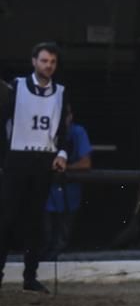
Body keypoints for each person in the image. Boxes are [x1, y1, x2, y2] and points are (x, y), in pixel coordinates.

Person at [0, 42, 71, 293]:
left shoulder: (61, 92)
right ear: (34, 61)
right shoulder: (16, 87)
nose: (48, 66)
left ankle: (30, 277)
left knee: (35, 221)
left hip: (44, 160)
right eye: (44, 61)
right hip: (17, 158)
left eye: (52, 62)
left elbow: (64, 129)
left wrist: (61, 153)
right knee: (5, 218)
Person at [43, 104, 93, 259]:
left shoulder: (78, 132)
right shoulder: (43, 132)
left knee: (61, 240)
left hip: (69, 194)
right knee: (44, 236)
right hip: (45, 193)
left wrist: (65, 166)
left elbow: (86, 163)